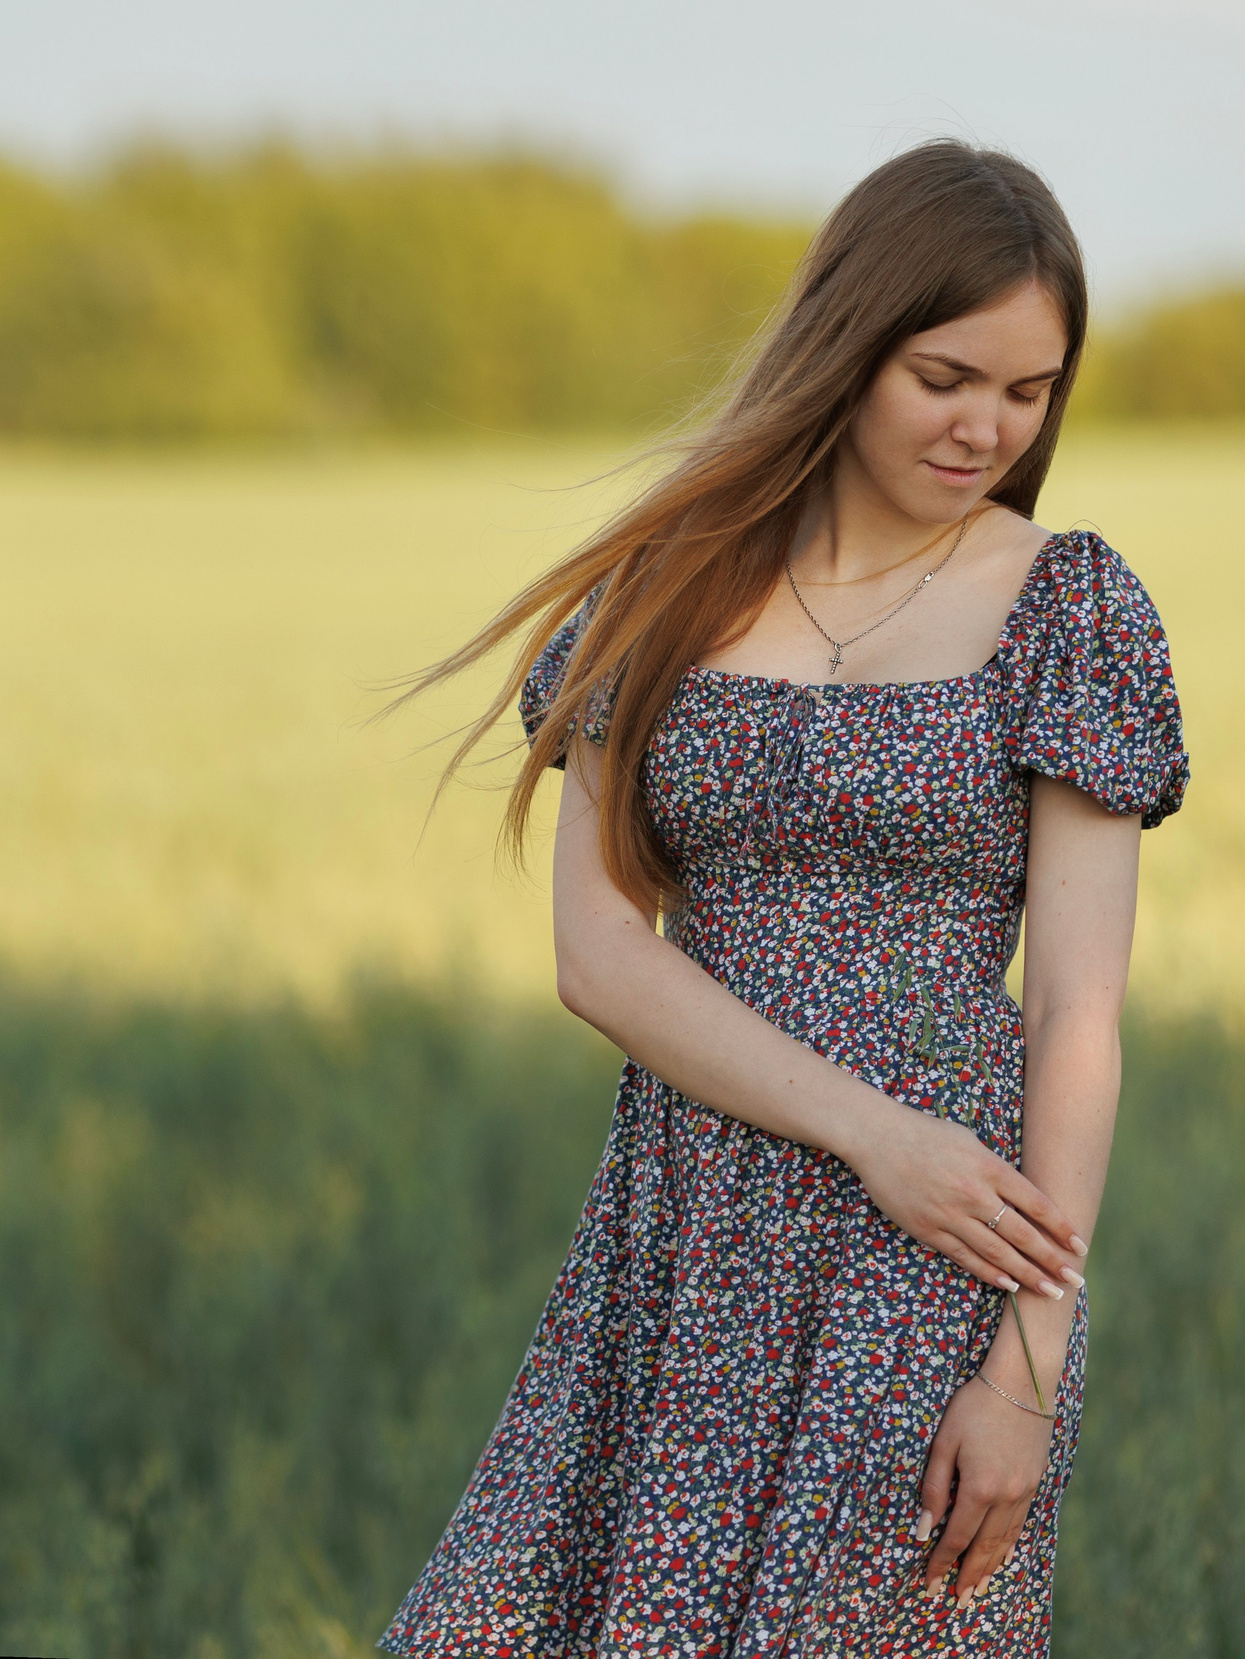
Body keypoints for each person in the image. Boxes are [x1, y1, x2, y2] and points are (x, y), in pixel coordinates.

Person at [379, 139, 1186, 1656]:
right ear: (848, 341)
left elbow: (1079, 1013)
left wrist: (1027, 1367)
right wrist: (879, 1138)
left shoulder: (1069, 607)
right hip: (689, 1228)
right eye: (947, 376)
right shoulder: (671, 582)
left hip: (949, 1255)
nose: (986, 428)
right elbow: (598, 954)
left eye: (1030, 392)